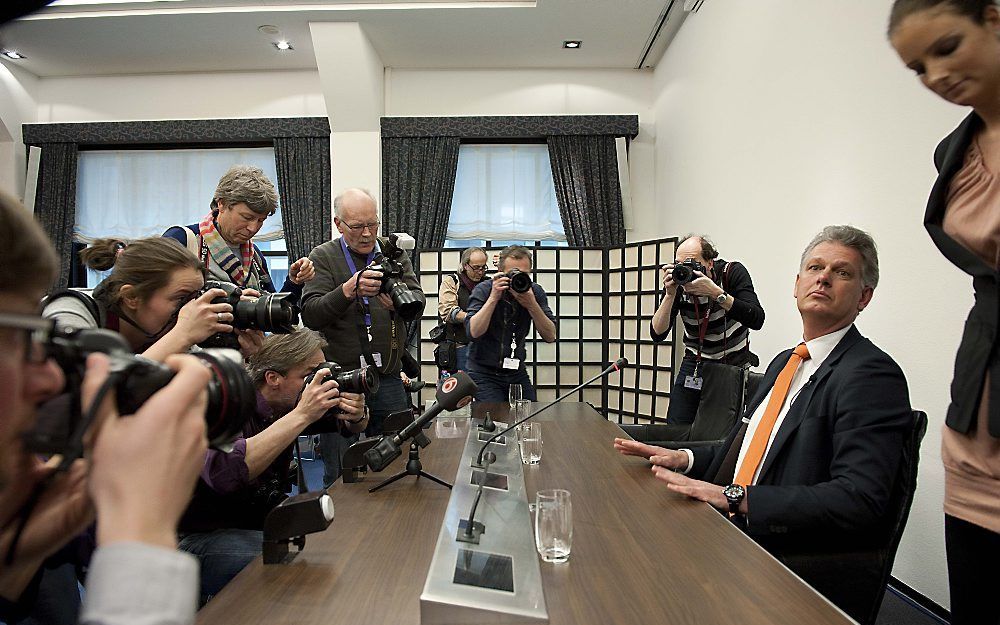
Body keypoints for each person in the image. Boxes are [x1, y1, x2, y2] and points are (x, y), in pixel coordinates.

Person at [615, 226, 912, 622]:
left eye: (841, 272)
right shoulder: (784, 362)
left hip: (775, 552)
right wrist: (682, 456)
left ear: (864, 297)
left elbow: (859, 499)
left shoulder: (871, 374)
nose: (822, 277)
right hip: (728, 530)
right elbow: (744, 449)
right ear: (796, 285)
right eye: (814, 267)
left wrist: (736, 497)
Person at [0, 190, 210, 624]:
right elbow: (78, 396)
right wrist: (141, 533)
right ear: (131, 297)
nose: (49, 377)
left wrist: (17, 557)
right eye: (17, 338)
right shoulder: (74, 312)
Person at [889, 3, 1000, 622]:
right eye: (916, 69)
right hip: (980, 415)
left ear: (994, 16)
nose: (937, 75)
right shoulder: (952, 154)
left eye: (948, 46)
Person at [177, 329, 366, 604]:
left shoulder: (286, 403)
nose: (317, 383)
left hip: (251, 522)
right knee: (293, 562)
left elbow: (347, 426)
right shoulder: (227, 404)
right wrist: (302, 415)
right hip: (197, 538)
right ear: (273, 378)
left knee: (335, 542)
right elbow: (227, 473)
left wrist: (358, 414)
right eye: (309, 375)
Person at [300, 188, 425, 486]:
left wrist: (399, 303)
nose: (368, 234)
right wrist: (346, 291)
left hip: (389, 375)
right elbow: (311, 314)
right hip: (342, 378)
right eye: (357, 226)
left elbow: (417, 299)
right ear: (338, 223)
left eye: (373, 224)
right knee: (343, 468)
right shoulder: (324, 256)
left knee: (395, 456)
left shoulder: (392, 253)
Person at [42, 237, 265, 360]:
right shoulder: (70, 312)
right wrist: (181, 335)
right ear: (131, 297)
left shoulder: (163, 332)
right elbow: (88, 395)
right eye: (181, 298)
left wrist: (244, 358)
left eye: (196, 296)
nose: (193, 307)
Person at [650, 234, 765, 425]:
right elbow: (657, 334)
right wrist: (669, 295)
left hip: (731, 360)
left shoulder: (731, 272)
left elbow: (757, 319)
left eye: (692, 263)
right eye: (680, 263)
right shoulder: (679, 282)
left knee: (721, 428)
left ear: (710, 263)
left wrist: (715, 292)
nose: (686, 269)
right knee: (677, 424)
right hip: (695, 361)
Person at [162, 164, 315, 301]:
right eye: (247, 217)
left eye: (261, 220)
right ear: (221, 203)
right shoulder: (183, 241)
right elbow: (155, 298)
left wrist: (294, 282)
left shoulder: (255, 256)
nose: (253, 228)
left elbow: (271, 313)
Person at [465, 245, 557, 402]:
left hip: (516, 371)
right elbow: (473, 332)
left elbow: (550, 335)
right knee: (493, 418)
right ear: (500, 271)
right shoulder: (484, 290)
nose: (517, 278)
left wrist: (531, 304)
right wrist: (494, 297)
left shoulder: (534, 292)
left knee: (527, 415)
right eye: (512, 273)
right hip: (483, 371)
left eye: (524, 274)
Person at [437, 246, 488, 374]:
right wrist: (474, 319)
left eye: (483, 267)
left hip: (484, 347)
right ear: (465, 265)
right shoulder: (453, 281)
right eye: (476, 267)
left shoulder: (489, 283)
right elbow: (448, 311)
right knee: (461, 390)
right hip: (460, 346)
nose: (480, 272)